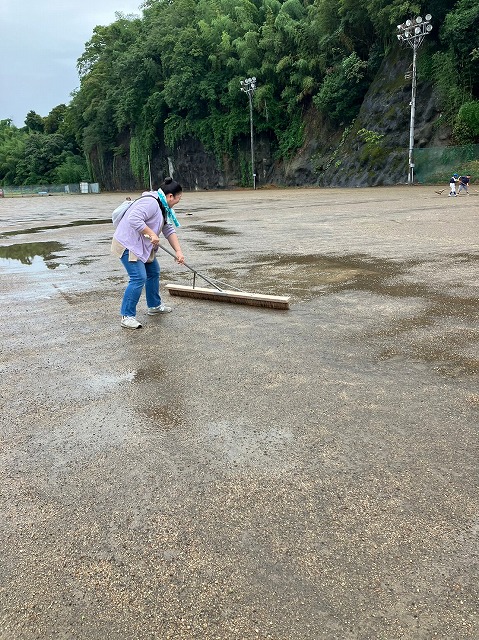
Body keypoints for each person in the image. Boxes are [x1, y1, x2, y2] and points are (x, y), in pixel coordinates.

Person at [111, 177, 185, 329]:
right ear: (170, 196)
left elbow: (168, 229)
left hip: (142, 245)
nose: (179, 201)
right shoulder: (151, 202)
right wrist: (151, 233)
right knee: (138, 277)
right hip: (128, 244)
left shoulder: (164, 207)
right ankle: (127, 316)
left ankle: (154, 306)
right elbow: (133, 218)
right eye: (179, 198)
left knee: (153, 271)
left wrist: (178, 251)